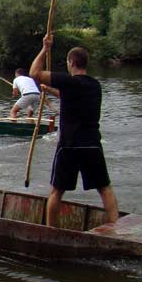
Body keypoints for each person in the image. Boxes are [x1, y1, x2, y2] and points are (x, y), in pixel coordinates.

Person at [29, 34, 119, 228]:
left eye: (68, 63)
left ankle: (50, 231)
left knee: (56, 192)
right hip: (92, 144)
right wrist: (50, 90)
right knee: (105, 189)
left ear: (71, 62)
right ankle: (117, 227)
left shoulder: (68, 81)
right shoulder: (95, 86)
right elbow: (70, 95)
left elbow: (34, 73)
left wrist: (45, 48)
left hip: (69, 145)